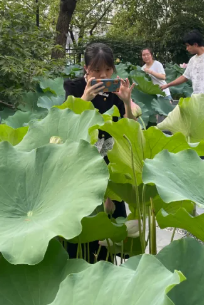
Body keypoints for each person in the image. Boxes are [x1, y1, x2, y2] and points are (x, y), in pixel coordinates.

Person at [63, 43, 136, 261]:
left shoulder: (116, 91)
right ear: (86, 68)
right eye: (97, 70)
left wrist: (126, 102)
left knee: (109, 229)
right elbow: (67, 125)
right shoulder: (74, 87)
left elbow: (129, 129)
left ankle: (106, 265)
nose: (103, 75)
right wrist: (85, 98)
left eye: (108, 69)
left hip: (109, 159)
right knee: (81, 224)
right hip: (81, 160)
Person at [160, 30, 204, 103]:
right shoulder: (192, 60)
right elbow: (184, 77)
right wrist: (167, 85)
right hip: (197, 99)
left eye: (188, 46)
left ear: (195, 44)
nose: (187, 48)